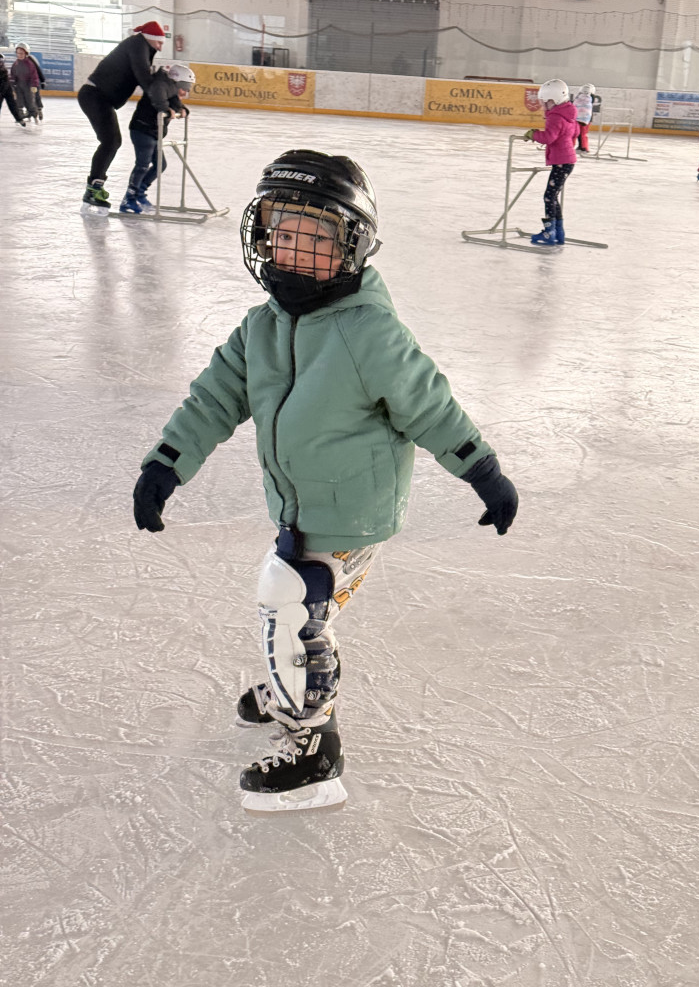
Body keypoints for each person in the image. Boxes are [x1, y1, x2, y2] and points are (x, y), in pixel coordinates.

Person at [132, 149, 519, 813]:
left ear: (352, 246)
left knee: (288, 600)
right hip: (300, 507)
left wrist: (483, 472)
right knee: (298, 610)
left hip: (353, 511)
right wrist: (166, 464)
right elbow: (213, 401)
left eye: (316, 240)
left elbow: (430, 405)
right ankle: (297, 680)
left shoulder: (368, 331)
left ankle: (315, 749)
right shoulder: (261, 327)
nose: (295, 252)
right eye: (284, 234)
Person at [77, 20, 167, 211]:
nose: (160, 48)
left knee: (112, 141)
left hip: (101, 98)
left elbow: (146, 78)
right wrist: (161, 100)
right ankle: (93, 189)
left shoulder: (141, 47)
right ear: (150, 38)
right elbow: (144, 77)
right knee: (111, 141)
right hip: (94, 96)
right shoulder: (137, 44)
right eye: (159, 43)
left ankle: (94, 187)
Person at [121, 64, 195, 214]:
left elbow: (175, 101)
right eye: (185, 87)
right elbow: (158, 97)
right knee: (142, 165)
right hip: (142, 129)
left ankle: (140, 193)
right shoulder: (160, 84)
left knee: (160, 165)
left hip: (153, 132)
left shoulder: (171, 88)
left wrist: (182, 109)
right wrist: (165, 109)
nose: (186, 92)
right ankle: (128, 199)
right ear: (177, 82)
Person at [523, 78, 578, 245]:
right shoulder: (569, 115)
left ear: (554, 101)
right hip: (567, 160)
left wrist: (533, 135)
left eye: (545, 102)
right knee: (553, 196)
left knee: (549, 196)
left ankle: (549, 232)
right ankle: (558, 232)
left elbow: (549, 137)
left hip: (562, 161)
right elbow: (574, 134)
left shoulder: (555, 117)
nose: (543, 106)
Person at [10, 42, 40, 124]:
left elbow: (34, 75)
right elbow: (12, 75)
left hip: (28, 86)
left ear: (26, 53)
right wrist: (12, 84)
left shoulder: (29, 64)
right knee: (19, 101)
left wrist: (34, 85)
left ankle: (34, 115)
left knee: (29, 101)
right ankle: (20, 116)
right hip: (19, 86)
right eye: (18, 53)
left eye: (22, 53)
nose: (19, 55)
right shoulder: (15, 64)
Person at [0, 53, 27, 128]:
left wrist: (1, 93)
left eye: (1, 61)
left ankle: (19, 119)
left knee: (12, 104)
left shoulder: (3, 71)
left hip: (6, 90)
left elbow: (4, 84)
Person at [573, 83, 595, 153]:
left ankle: (583, 147)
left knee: (580, 133)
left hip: (581, 119)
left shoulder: (580, 98)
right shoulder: (590, 98)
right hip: (585, 119)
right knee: (580, 133)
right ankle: (582, 147)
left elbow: (574, 105)